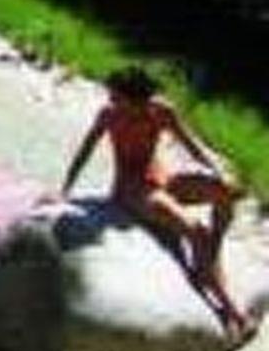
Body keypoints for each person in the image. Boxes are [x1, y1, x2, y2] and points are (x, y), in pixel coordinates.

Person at [61, 65, 248, 336]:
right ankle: (229, 308)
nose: (110, 100)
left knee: (224, 192)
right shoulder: (109, 116)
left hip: (164, 179)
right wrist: (65, 190)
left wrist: (216, 174)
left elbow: (192, 147)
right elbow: (85, 150)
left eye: (116, 96)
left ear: (137, 99)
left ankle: (211, 254)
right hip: (134, 191)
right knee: (196, 230)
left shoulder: (161, 112)